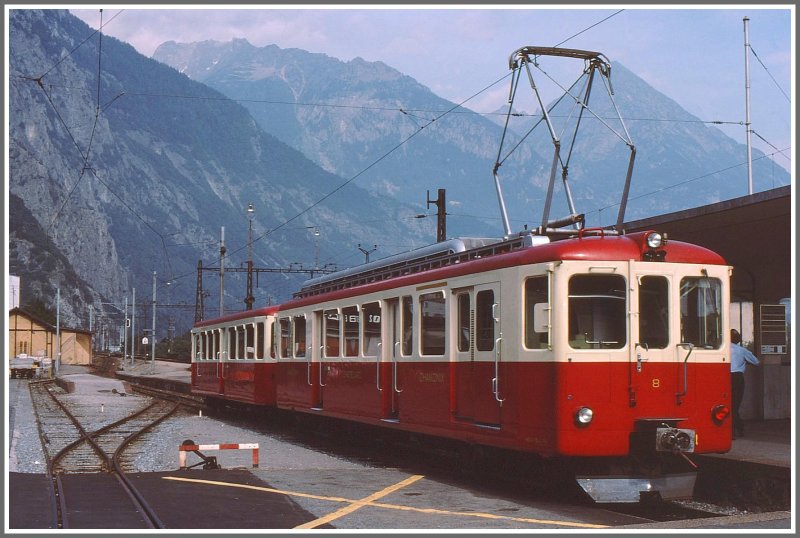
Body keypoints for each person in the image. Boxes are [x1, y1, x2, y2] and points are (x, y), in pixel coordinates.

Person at [730, 329, 759, 438]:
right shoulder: (741, 350)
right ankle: (738, 429)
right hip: (737, 378)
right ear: (737, 339)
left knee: (727, 404)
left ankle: (733, 430)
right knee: (735, 404)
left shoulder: (722, 349)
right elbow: (756, 362)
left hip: (723, 377)